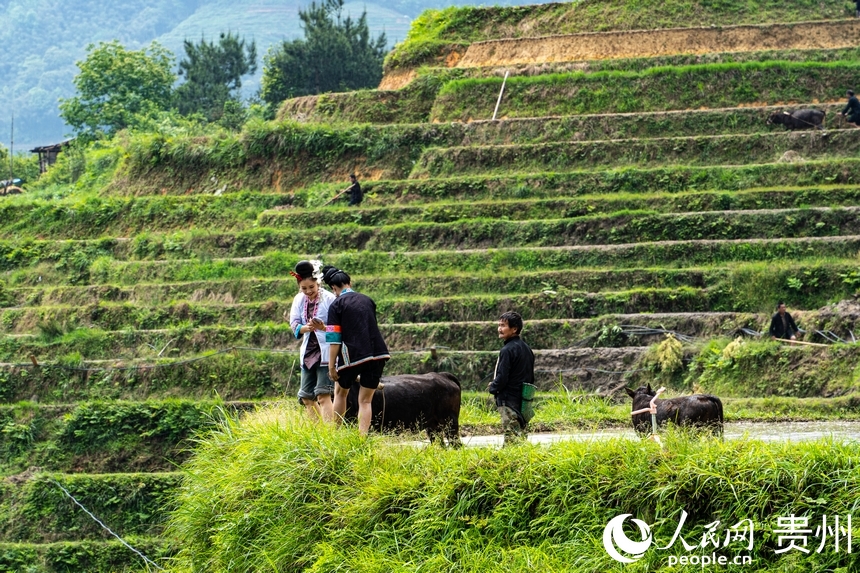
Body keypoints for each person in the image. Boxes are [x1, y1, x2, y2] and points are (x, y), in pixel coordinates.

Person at [322, 265, 390, 435]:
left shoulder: (336, 305)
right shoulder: (368, 300)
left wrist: (332, 367)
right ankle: (362, 438)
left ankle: (335, 435)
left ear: (333, 288)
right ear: (349, 283)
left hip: (353, 355)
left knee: (340, 392)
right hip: (378, 353)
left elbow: (334, 339)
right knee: (365, 401)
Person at [287, 260, 336, 422]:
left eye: (311, 287)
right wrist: (305, 328)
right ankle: (318, 431)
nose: (308, 291)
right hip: (308, 351)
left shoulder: (329, 299)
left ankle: (330, 432)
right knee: (306, 397)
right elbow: (294, 323)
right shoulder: (298, 299)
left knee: (323, 394)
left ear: (318, 283)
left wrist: (323, 328)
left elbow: (338, 328)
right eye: (304, 288)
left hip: (326, 351)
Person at [488, 311, 535, 446]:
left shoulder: (507, 350)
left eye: (503, 325)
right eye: (499, 325)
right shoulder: (527, 349)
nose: (499, 329)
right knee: (520, 438)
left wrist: (493, 387)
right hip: (523, 400)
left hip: (508, 400)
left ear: (514, 329)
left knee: (511, 439)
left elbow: (502, 377)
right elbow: (530, 377)